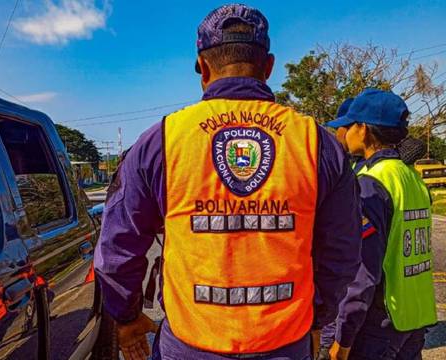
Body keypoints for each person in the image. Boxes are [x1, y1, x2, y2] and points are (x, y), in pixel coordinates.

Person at [94, 4, 362, 359]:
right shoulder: (317, 143)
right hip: (285, 344)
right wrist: (317, 319)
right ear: (268, 66)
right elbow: (343, 253)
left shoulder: (162, 141)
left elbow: (116, 251)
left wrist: (127, 317)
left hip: (190, 346)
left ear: (203, 68)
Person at [324, 88, 437, 360]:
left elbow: (363, 273)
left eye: (350, 125)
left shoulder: (371, 183)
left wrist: (344, 336)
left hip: (379, 324)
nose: (345, 132)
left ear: (363, 130)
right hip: (413, 320)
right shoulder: (411, 177)